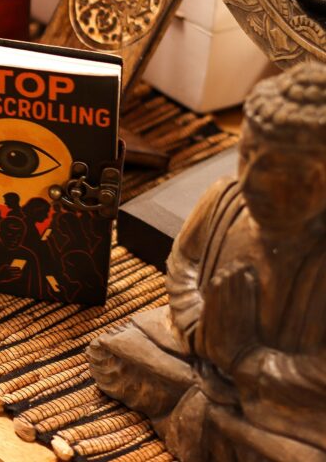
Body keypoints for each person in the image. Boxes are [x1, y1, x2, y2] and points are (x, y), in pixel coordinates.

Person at [88, 63, 326, 461]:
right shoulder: (226, 198)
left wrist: (247, 360)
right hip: (196, 349)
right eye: (246, 155)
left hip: (276, 389)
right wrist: (197, 323)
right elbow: (184, 264)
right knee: (113, 352)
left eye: (274, 169)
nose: (250, 177)